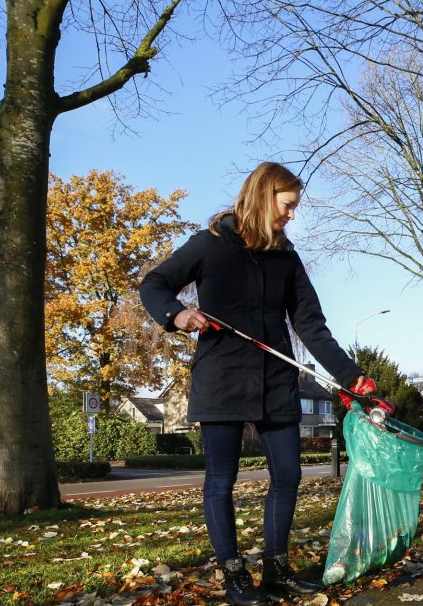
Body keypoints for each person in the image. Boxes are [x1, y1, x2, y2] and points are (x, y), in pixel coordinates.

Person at [139, 162, 376, 606]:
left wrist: (352, 375)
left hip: (275, 381)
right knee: (220, 480)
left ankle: (276, 571)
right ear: (263, 196)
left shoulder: (287, 258)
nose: (291, 216)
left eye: (294, 208)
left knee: (288, 474)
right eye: (287, 206)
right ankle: (233, 575)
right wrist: (178, 314)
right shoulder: (208, 246)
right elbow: (154, 283)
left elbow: (311, 325)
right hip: (220, 379)